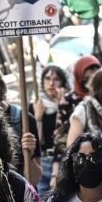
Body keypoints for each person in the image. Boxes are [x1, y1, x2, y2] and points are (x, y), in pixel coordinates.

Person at [32, 64, 70, 194]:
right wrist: (37, 118)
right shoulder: (36, 104)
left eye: (56, 79)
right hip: (43, 160)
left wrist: (62, 108)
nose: (51, 83)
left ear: (63, 82)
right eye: (47, 79)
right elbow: (37, 140)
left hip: (63, 159)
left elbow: (64, 136)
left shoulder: (69, 104)